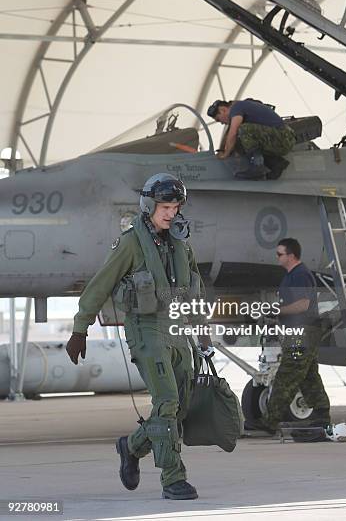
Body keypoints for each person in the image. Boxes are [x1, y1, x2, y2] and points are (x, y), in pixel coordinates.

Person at [66, 173, 213, 500]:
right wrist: (80, 329)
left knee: (182, 405)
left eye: (175, 206)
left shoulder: (180, 243)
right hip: (146, 330)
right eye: (165, 206)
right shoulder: (131, 243)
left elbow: (195, 290)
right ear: (149, 205)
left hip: (177, 329)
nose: (171, 212)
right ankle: (173, 478)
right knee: (167, 401)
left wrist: (203, 335)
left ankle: (131, 447)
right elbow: (99, 285)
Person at [262, 237, 331, 435]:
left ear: (291, 255)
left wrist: (277, 310)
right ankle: (321, 415)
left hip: (303, 332)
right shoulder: (291, 275)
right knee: (308, 376)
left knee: (287, 374)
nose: (277, 257)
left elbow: (303, 304)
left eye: (279, 254)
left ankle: (270, 421)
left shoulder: (300, 275)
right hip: (299, 331)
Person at [207, 98, 296, 180]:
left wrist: (225, 154)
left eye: (219, 119)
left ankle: (257, 166)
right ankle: (276, 163)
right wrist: (223, 150)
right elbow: (229, 136)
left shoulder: (236, 108)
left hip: (284, 138)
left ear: (223, 110)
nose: (222, 123)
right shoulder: (240, 109)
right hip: (279, 140)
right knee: (239, 140)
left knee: (243, 129)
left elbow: (232, 133)